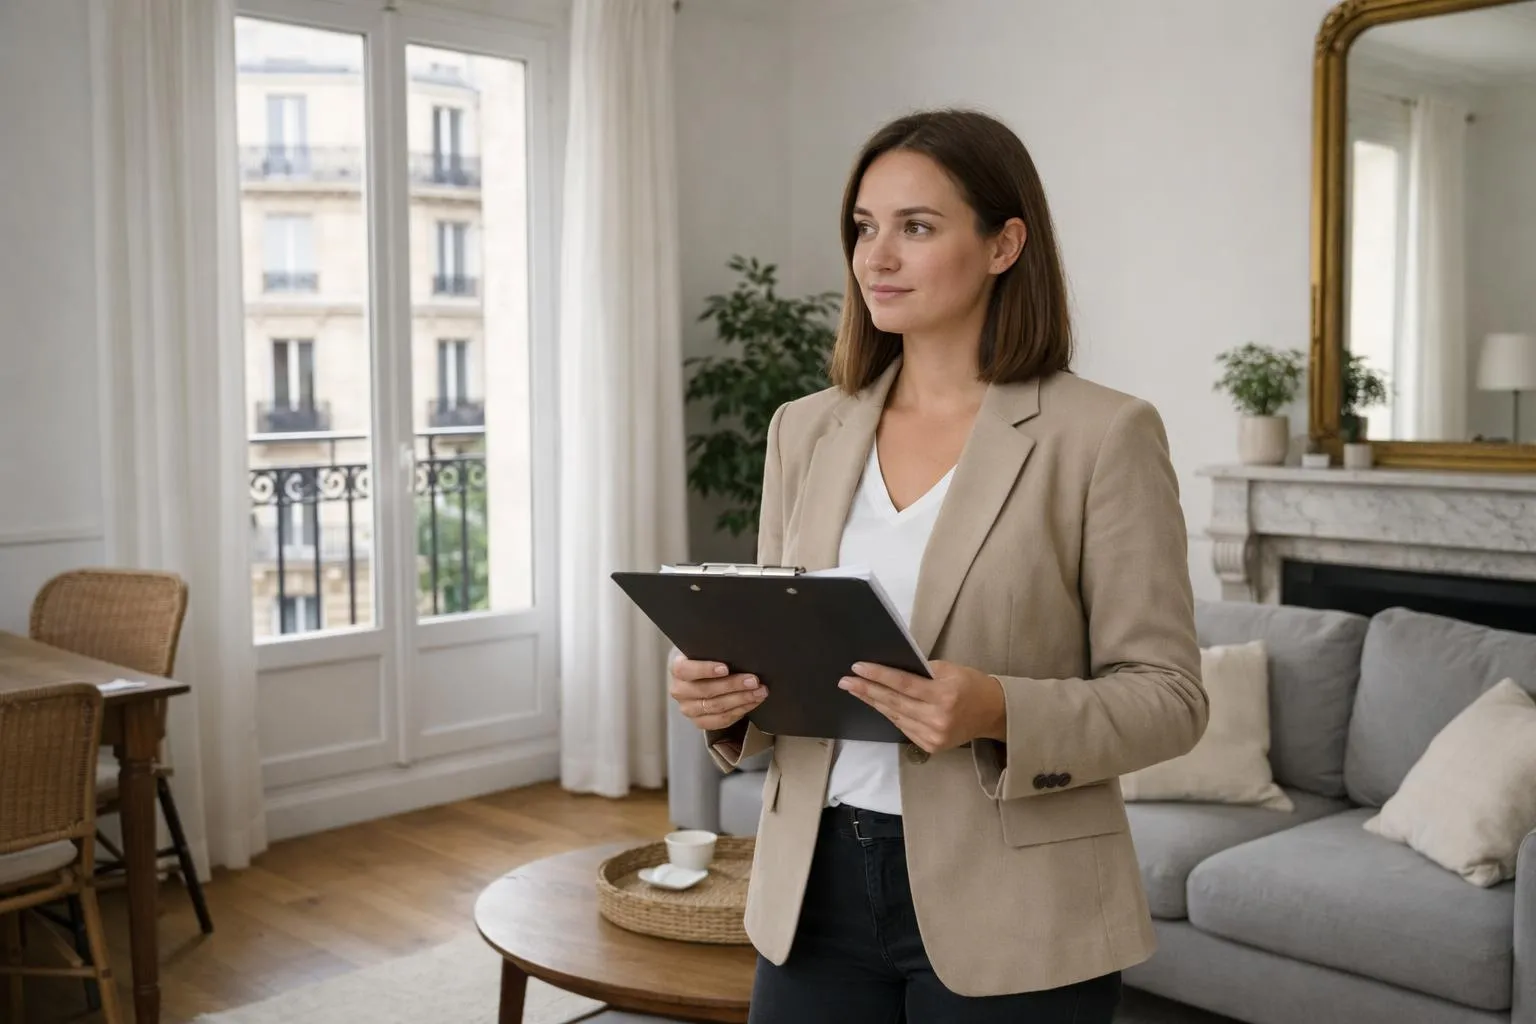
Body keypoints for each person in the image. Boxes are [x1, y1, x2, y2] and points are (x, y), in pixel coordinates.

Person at [669, 107, 1207, 1024]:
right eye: (863, 227)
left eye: (915, 227)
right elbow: (785, 647)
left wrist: (996, 708)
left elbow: (1171, 697)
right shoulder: (804, 429)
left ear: (1004, 244)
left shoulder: (1103, 435)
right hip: (812, 890)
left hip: (1018, 904)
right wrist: (727, 699)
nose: (875, 258)